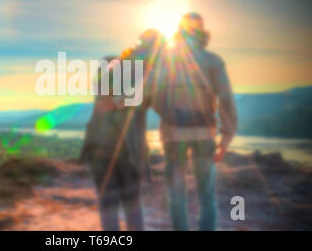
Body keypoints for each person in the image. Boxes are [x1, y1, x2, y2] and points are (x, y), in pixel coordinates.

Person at [151, 12, 237, 231]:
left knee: (176, 196)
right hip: (204, 134)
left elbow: (153, 94)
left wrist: (169, 114)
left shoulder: (166, 59)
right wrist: (226, 139)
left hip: (172, 135)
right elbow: (226, 100)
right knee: (207, 196)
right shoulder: (214, 61)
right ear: (202, 32)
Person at [80, 29, 163, 231]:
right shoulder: (112, 63)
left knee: (123, 206)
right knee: (125, 206)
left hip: (118, 150)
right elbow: (103, 101)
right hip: (114, 149)